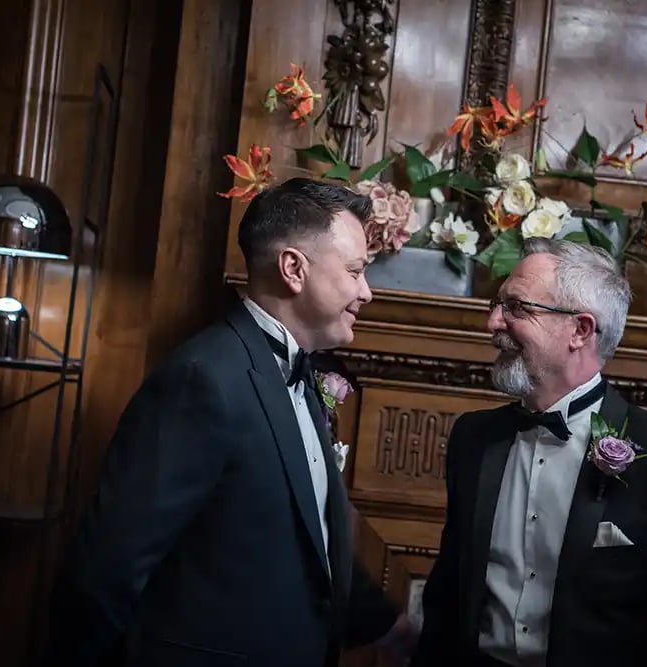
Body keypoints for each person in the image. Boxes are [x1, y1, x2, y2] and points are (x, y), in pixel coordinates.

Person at [44, 177, 416, 666]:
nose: (366, 292)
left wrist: (389, 626)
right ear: (293, 269)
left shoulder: (300, 373)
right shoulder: (203, 380)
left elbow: (305, 542)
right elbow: (108, 565)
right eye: (354, 271)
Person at [413, 238, 647, 667]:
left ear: (580, 330)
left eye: (517, 308)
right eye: (497, 305)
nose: (493, 322)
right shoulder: (474, 439)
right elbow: (446, 598)